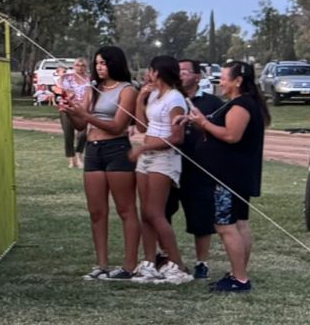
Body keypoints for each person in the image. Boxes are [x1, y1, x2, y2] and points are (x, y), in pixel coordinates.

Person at [60, 46, 141, 281]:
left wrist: (86, 116)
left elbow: (117, 126)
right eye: (97, 63)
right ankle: (101, 265)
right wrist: (71, 111)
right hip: (93, 150)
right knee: (96, 211)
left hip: (117, 149)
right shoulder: (92, 89)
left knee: (125, 209)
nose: (99, 67)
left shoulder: (127, 90)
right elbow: (80, 126)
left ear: (115, 64)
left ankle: (129, 266)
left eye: (104, 63)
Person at [184, 61, 266, 292]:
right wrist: (200, 122)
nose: (220, 81)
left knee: (225, 226)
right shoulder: (240, 103)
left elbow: (231, 135)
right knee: (239, 224)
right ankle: (238, 273)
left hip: (229, 177)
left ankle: (239, 279)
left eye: (224, 77)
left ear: (238, 81)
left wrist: (203, 123)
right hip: (236, 174)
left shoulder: (241, 105)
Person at [128, 55, 193, 285]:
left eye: (150, 70)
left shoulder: (175, 98)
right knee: (145, 212)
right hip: (147, 157)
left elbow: (177, 137)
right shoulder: (155, 94)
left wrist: (144, 148)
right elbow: (142, 127)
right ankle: (149, 262)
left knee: (156, 213)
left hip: (163, 158)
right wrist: (140, 99)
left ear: (158, 72)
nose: (148, 74)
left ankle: (177, 265)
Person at [166, 59, 222, 278]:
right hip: (169, 164)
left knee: (201, 217)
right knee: (163, 212)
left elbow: (220, 132)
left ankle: (202, 262)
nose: (180, 75)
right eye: (177, 71)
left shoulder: (212, 103)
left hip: (199, 167)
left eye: (185, 71)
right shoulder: (169, 98)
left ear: (197, 76)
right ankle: (168, 258)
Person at [57, 60, 90, 168]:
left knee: (82, 134)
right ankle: (71, 158)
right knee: (68, 133)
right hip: (67, 108)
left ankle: (79, 155)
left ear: (86, 67)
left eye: (83, 65)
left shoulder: (89, 79)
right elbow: (60, 85)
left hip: (83, 109)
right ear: (74, 66)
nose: (80, 67)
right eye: (77, 65)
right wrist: (62, 76)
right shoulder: (68, 78)